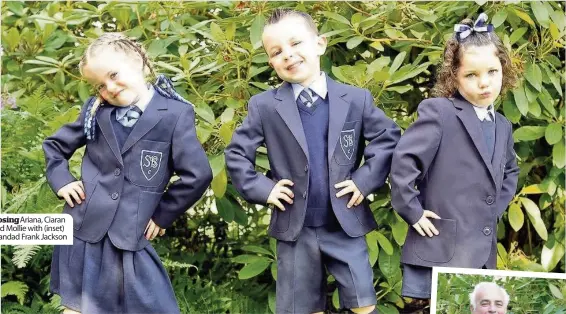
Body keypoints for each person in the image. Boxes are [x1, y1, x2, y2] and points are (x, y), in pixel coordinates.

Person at [225, 8, 400, 314]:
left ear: (319, 44)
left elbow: (389, 138)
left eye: (296, 44)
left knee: (363, 302)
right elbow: (237, 155)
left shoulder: (355, 100)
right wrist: (264, 189)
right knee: (302, 307)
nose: (288, 55)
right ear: (271, 62)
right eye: (277, 52)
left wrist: (364, 179)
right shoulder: (265, 106)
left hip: (344, 223)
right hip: (296, 227)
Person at [43, 32, 212, 313]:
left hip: (130, 234)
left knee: (153, 305)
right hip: (83, 228)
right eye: (99, 85)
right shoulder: (95, 111)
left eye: (113, 74)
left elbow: (198, 174)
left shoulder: (174, 113)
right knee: (76, 308)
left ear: (137, 61)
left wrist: (163, 214)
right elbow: (55, 146)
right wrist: (62, 182)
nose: (109, 87)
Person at [390, 13, 520, 300]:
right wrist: (412, 210)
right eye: (471, 75)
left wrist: (493, 209)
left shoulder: (503, 125)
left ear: (503, 70)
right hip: (441, 245)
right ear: (454, 77)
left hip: (480, 251)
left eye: (492, 72)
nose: (484, 83)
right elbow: (404, 162)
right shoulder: (440, 112)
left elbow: (510, 172)